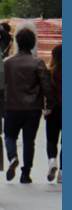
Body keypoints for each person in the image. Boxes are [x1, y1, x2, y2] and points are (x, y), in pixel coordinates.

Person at [3, 27, 56, 183]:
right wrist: (50, 103)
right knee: (28, 142)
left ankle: (12, 156)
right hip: (32, 108)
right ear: (33, 44)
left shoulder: (7, 63)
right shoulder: (37, 63)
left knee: (10, 136)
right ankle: (26, 173)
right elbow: (46, 85)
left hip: (11, 106)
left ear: (17, 43)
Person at [45, 44, 62, 183]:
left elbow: (46, 91)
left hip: (53, 110)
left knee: (52, 140)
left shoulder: (49, 73)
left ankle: (52, 161)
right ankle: (62, 172)